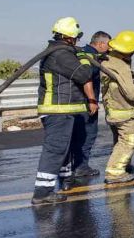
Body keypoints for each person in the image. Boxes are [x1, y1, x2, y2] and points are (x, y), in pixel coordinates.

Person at [32, 17, 98, 205]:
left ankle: (65, 180)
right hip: (57, 110)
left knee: (63, 149)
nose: (77, 41)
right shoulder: (61, 55)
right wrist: (85, 58)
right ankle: (42, 192)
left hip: (63, 110)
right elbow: (84, 74)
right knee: (55, 150)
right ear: (70, 37)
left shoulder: (59, 52)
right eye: (76, 38)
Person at [101, 30, 134, 184]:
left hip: (113, 111)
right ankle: (115, 172)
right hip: (124, 112)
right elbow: (132, 94)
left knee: (119, 141)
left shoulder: (108, 61)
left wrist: (133, 75)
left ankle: (124, 165)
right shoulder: (121, 67)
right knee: (128, 141)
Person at [69, 31, 112, 179]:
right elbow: (86, 78)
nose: (109, 49)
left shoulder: (85, 53)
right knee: (88, 134)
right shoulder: (89, 56)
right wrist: (92, 100)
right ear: (100, 43)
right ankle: (81, 167)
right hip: (86, 104)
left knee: (77, 136)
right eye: (108, 45)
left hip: (78, 102)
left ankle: (74, 166)